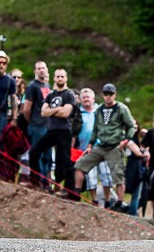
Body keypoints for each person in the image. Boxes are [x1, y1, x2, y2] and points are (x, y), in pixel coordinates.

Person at [74, 83, 136, 210]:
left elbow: (131, 125)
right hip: (100, 145)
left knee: (117, 175)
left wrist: (126, 140)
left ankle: (119, 201)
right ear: (102, 95)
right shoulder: (99, 110)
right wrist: (90, 144)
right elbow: (95, 129)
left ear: (114, 95)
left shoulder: (121, 108)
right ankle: (75, 193)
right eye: (106, 94)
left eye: (110, 94)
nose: (108, 96)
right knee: (80, 165)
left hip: (114, 146)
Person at [31, 67, 78, 196]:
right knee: (34, 151)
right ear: (54, 78)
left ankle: (69, 189)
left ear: (66, 78)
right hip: (51, 130)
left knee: (66, 160)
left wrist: (52, 110)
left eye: (62, 76)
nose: (60, 79)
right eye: (58, 76)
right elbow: (43, 112)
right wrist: (58, 109)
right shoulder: (51, 95)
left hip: (64, 131)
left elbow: (66, 113)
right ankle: (34, 182)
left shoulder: (69, 94)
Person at [20, 60, 52, 187]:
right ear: (35, 71)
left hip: (48, 126)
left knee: (47, 156)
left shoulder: (48, 86)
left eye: (43, 68)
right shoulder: (32, 86)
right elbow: (26, 108)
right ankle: (38, 181)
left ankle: (46, 182)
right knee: (37, 154)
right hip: (37, 125)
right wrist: (31, 122)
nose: (41, 70)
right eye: (39, 68)